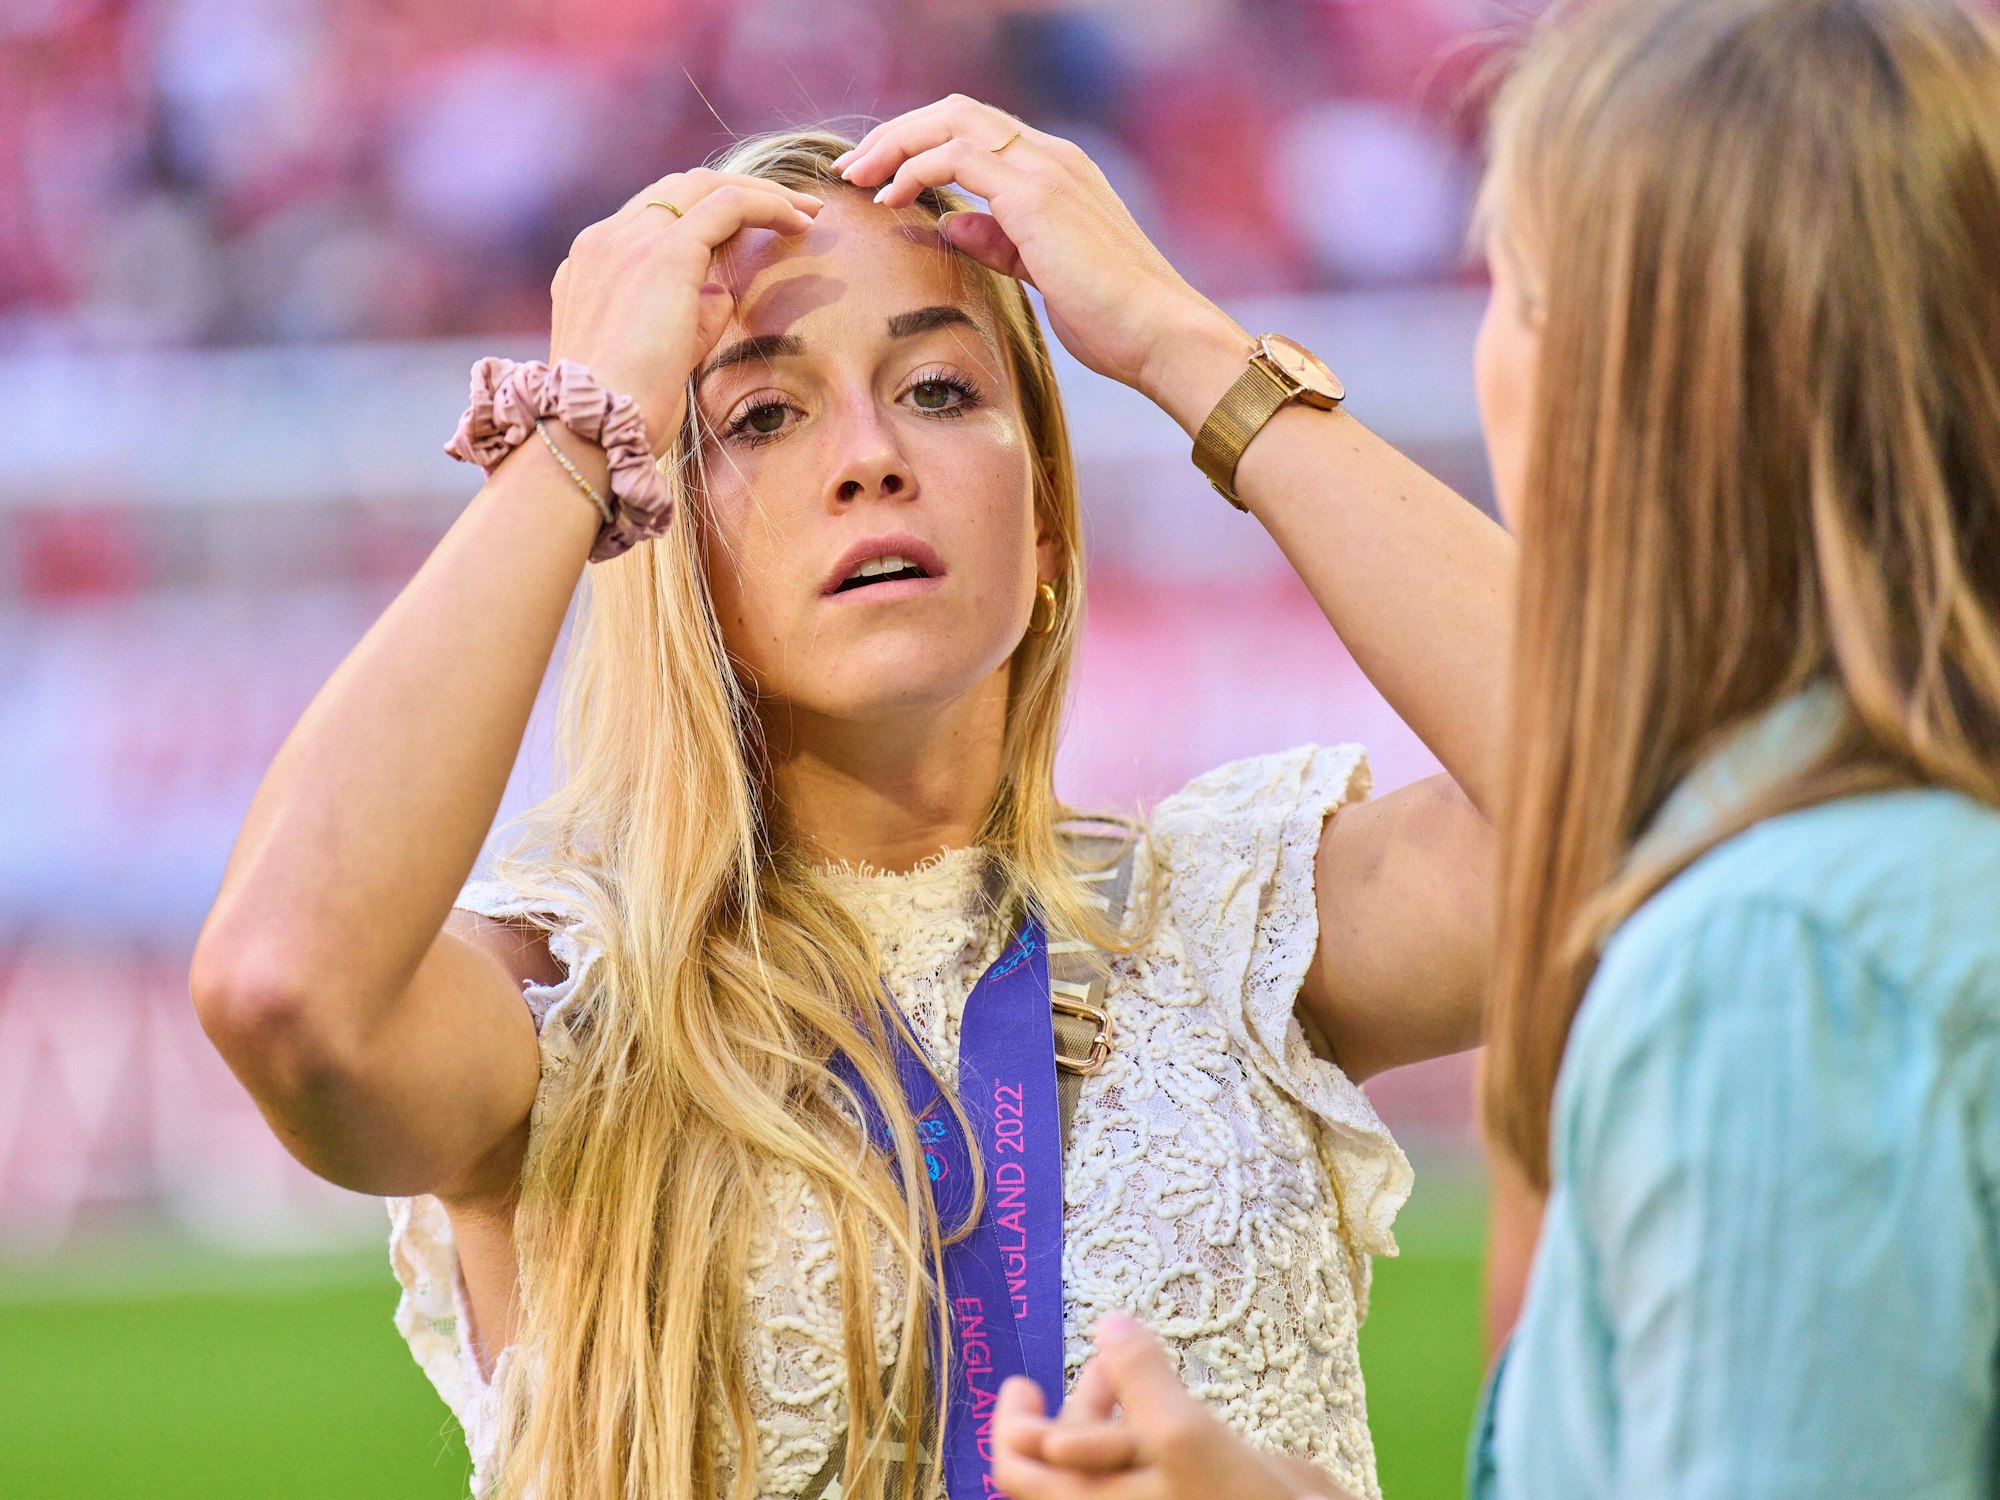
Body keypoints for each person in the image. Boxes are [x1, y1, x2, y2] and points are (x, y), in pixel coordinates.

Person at [187, 93, 1513, 1500]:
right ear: (664, 538)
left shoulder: (1235, 920)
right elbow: (286, 987)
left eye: (941, 390)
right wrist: (574, 443)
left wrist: (1180, 343)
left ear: (1048, 520)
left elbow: (1637, 803)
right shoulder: (567, 1003)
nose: (872, 456)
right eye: (763, 414)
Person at [988, 0, 2000, 1496]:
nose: (1486, 354)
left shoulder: (1783, 949)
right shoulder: (1885, 860)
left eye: (1514, 290)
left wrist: (1185, 348)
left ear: (1646, 380)